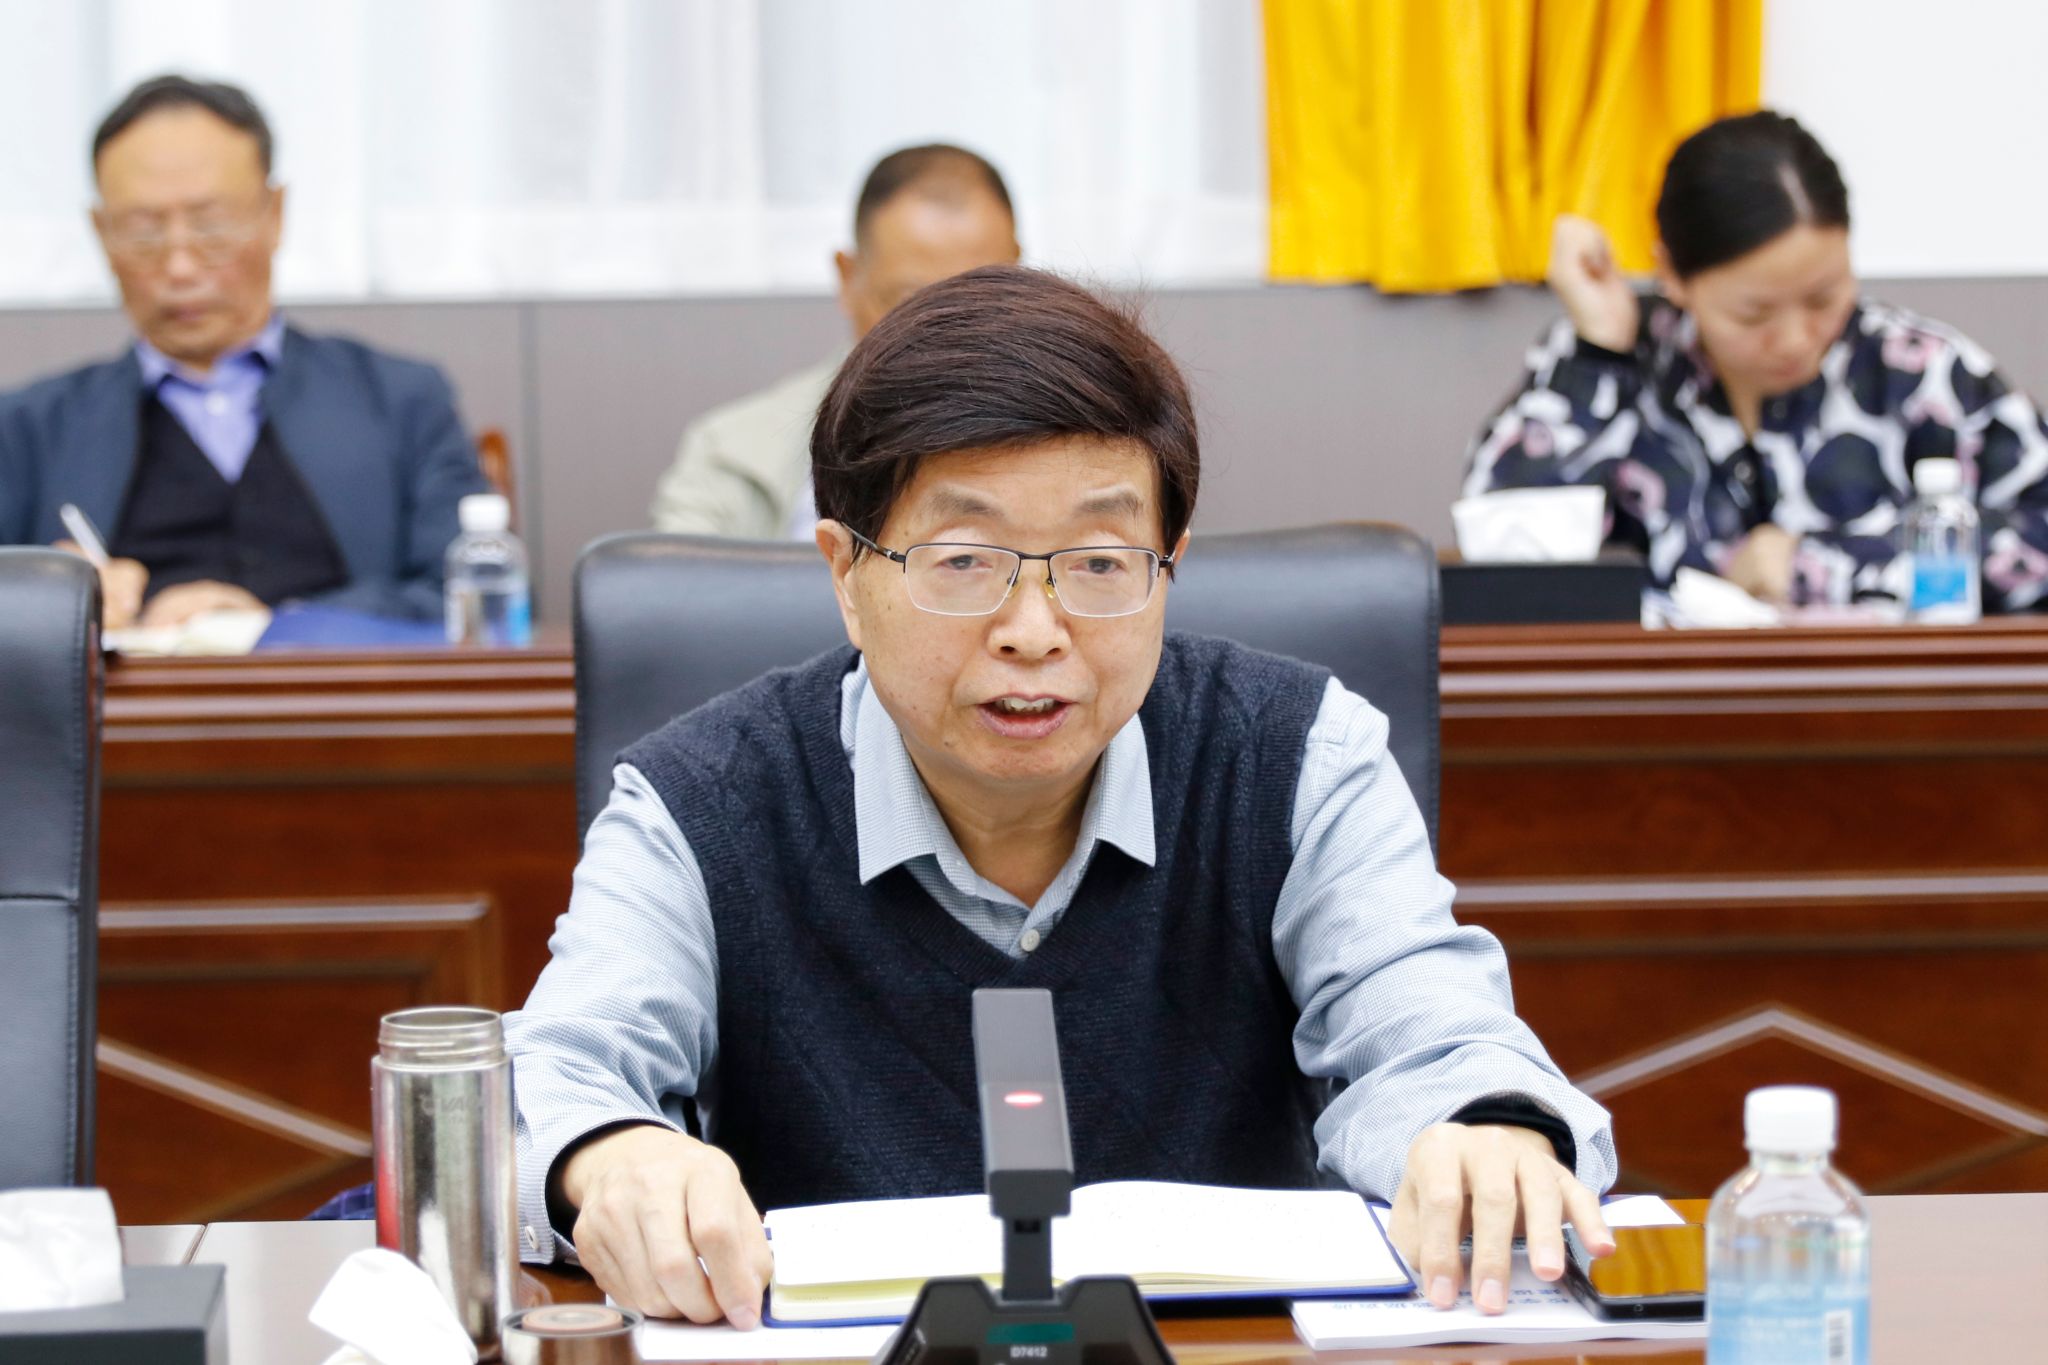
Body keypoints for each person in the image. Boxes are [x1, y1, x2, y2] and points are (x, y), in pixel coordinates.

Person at [509, 266, 1618, 1326]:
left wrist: (1485, 1131)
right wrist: (610, 1157)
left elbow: (1430, 1026)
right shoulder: (697, 802)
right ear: (845, 574)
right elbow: (559, 1072)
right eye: (963, 562)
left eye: (1098, 563)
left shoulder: (1299, 757)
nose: (1034, 632)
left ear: (1168, 563)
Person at [1465, 110, 2048, 612]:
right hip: (1650, 700)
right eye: (1754, 314)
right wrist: (1598, 351)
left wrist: (1819, 567)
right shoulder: (1610, 361)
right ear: (1673, 275)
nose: (1795, 340)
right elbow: (1502, 561)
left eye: (1823, 298)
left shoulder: (1921, 370)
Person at [0, 74, 490, 630]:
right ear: (100, 233)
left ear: (274, 214)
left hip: (336, 686)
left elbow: (472, 600)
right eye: (142, 231)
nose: (180, 267)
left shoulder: (403, 402)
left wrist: (280, 625)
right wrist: (49, 605)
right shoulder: (27, 431)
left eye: (212, 225)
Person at [649, 144, 1021, 540]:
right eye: (911, 304)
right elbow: (682, 574)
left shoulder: (1067, 441)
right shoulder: (736, 452)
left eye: (982, 300)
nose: (950, 334)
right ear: (848, 277)